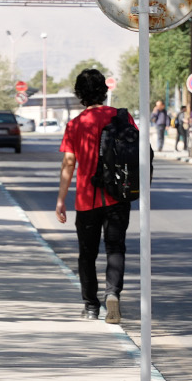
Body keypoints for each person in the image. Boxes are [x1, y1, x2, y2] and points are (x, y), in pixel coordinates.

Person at [54, 68, 132, 323]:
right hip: (118, 196)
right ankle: (113, 294)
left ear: (80, 94)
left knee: (87, 254)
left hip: (87, 199)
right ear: (104, 90)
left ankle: (90, 305)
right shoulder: (121, 117)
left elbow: (69, 163)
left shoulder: (75, 124)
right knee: (115, 248)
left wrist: (61, 200)